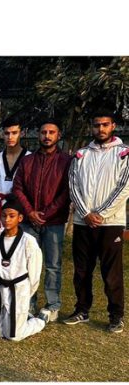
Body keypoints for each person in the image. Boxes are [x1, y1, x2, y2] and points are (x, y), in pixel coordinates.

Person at [64, 109, 129, 333]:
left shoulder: (124, 153)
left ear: (113, 126)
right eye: (96, 125)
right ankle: (82, 310)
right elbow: (73, 185)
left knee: (111, 272)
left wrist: (100, 214)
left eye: (105, 125)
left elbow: (124, 188)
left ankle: (116, 315)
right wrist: (86, 213)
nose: (100, 129)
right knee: (82, 270)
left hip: (110, 223)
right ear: (91, 127)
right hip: (84, 223)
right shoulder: (82, 154)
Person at [12, 118, 72, 322]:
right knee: (29, 263)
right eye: (43, 132)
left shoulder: (66, 161)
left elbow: (66, 192)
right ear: (39, 135)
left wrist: (45, 214)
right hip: (29, 221)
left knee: (53, 265)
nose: (47, 136)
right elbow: (18, 187)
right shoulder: (27, 161)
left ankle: (52, 305)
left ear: (58, 135)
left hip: (53, 222)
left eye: (51, 132)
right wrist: (29, 212)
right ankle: (28, 302)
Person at [0, 196, 46, 341]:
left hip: (19, 289)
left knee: (14, 336)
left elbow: (35, 273)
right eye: (4, 216)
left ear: (20, 218)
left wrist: (26, 293)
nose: (7, 219)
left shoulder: (28, 241)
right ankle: (11, 318)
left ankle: (40, 320)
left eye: (11, 216)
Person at [0, 117, 30, 236]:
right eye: (7, 133)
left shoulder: (30, 158)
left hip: (19, 207)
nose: (10, 137)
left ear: (22, 133)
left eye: (14, 133)